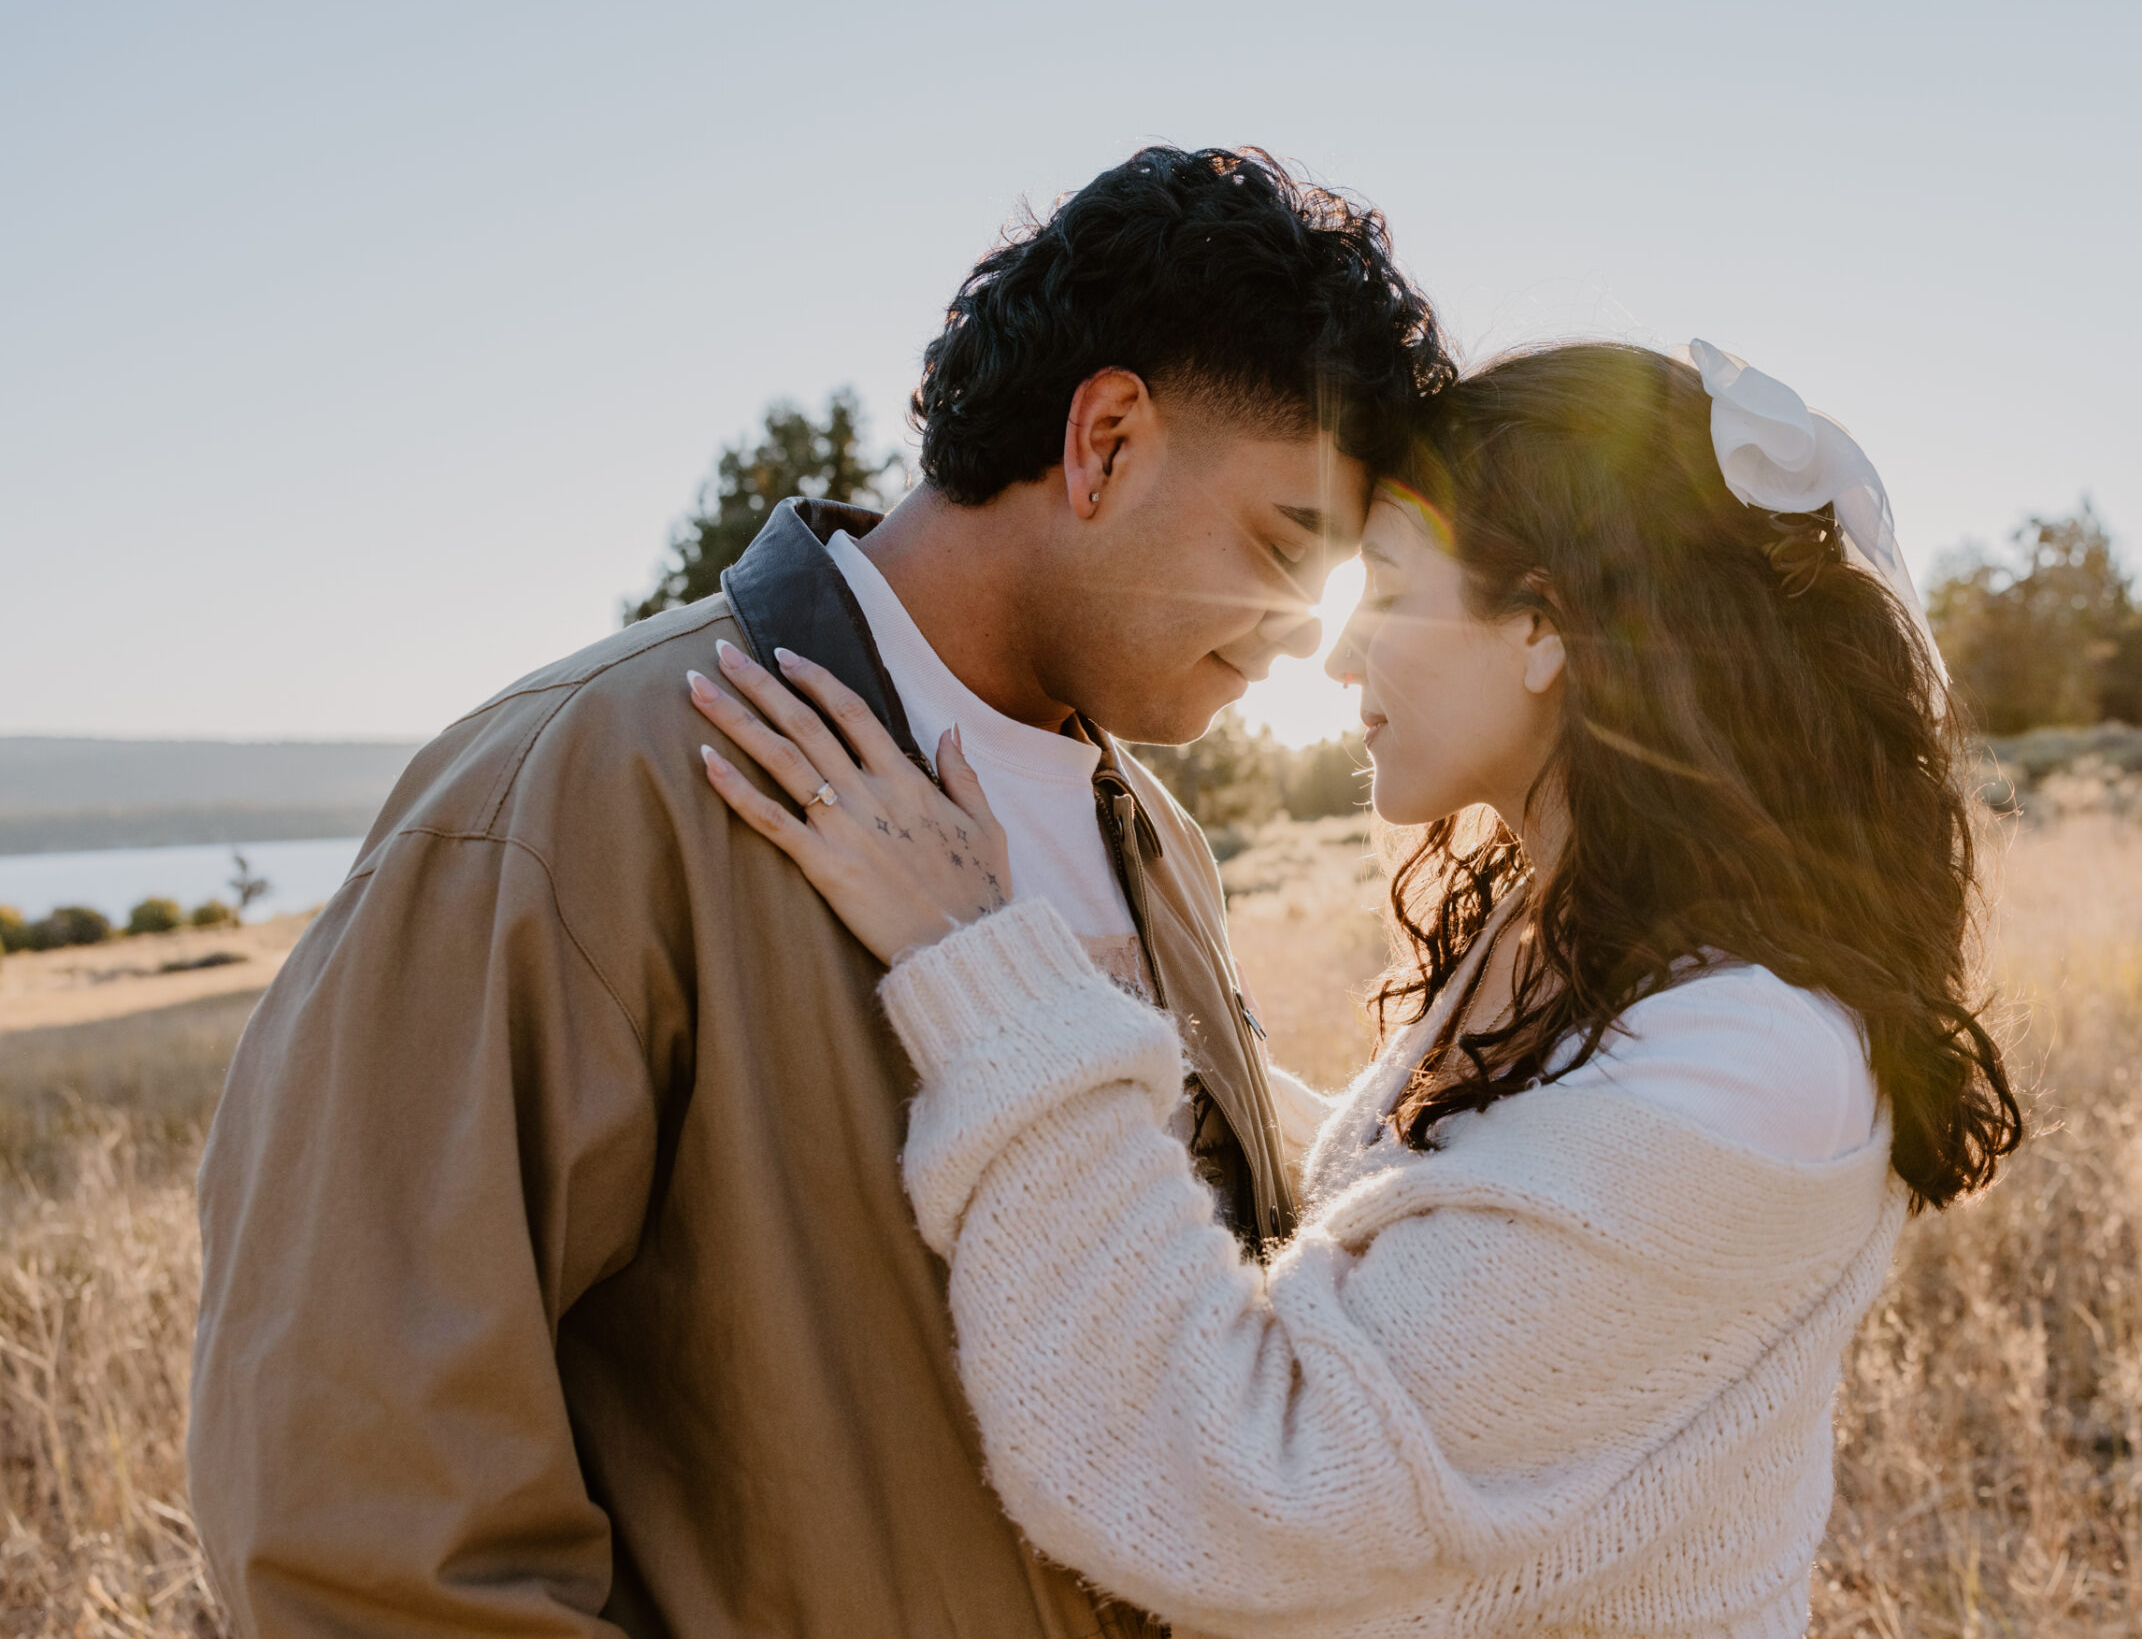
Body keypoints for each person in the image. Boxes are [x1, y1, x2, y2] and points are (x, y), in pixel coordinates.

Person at [188, 145, 1454, 1638]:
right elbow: (356, 1517)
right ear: (1104, 441)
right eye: (1281, 546)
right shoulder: (572, 794)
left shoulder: (1151, 835)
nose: (1307, 638)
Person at [690, 339, 2023, 1637]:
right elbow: (1436, 1234)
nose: (1334, 660)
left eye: (1384, 595)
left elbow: (1256, 1485)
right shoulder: (1563, 943)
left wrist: (980, 964)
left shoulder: (1751, 1062)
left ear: (1547, 626)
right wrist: (1096, 957)